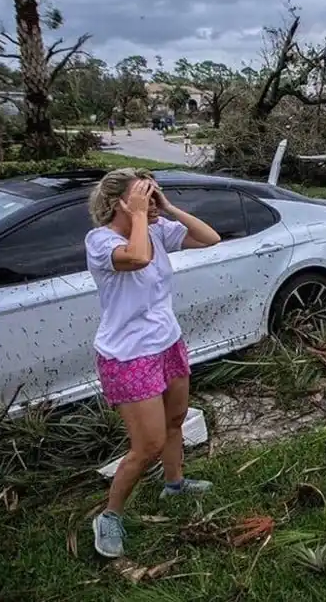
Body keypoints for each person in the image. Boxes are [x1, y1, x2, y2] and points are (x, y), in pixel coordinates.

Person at [84, 168, 222, 558]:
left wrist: (168, 207)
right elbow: (138, 258)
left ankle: (174, 483)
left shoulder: (158, 229)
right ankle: (109, 516)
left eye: (152, 193)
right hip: (128, 355)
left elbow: (210, 237)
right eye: (143, 194)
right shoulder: (100, 241)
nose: (151, 199)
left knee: (176, 420)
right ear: (119, 203)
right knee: (147, 444)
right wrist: (141, 215)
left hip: (167, 343)